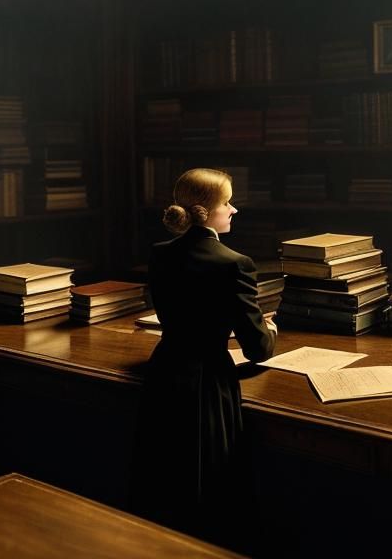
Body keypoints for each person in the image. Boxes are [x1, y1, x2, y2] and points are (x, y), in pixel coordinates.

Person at [130, 167, 276, 545]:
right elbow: (257, 349)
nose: (234, 210)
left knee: (162, 478)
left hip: (163, 374)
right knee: (207, 486)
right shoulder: (234, 263)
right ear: (207, 211)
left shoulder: (161, 254)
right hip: (208, 384)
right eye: (227, 203)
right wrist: (267, 330)